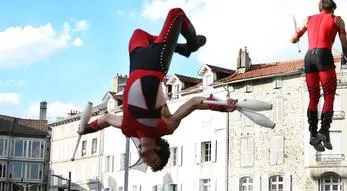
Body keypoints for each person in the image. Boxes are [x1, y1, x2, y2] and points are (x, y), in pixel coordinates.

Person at [78, 8, 237, 172]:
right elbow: (195, 102)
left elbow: (106, 119)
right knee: (177, 14)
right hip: (156, 63)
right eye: (153, 162)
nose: (147, 161)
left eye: (149, 164)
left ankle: (179, 48)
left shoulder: (127, 129)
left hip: (136, 60)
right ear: (160, 151)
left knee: (138, 33)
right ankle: (193, 44)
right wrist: (222, 105)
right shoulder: (165, 127)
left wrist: (86, 129)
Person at [290, 0, 347, 152]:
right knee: (329, 95)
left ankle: (313, 133)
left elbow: (293, 39)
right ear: (333, 8)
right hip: (324, 55)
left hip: (309, 57)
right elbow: (344, 44)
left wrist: (296, 39)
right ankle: (324, 130)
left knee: (313, 97)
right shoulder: (337, 19)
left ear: (320, 8)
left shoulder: (308, 19)